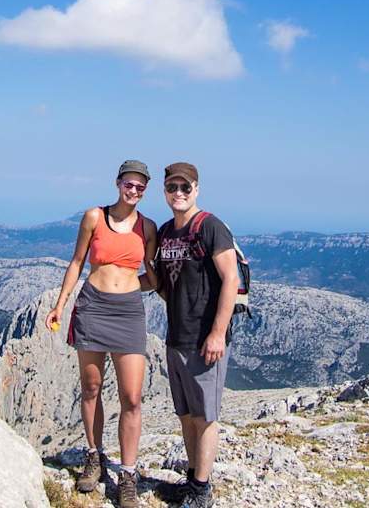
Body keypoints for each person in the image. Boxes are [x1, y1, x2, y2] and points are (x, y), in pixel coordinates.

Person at [45, 159, 158, 508]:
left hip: (127, 313)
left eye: (140, 186)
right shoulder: (94, 216)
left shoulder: (148, 227)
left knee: (132, 397)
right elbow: (77, 262)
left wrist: (126, 286)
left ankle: (127, 474)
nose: (134, 190)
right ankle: (94, 456)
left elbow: (152, 276)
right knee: (91, 387)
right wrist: (61, 305)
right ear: (118, 183)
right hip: (92, 307)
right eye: (129, 184)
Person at [154, 162, 239, 508]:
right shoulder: (165, 232)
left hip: (205, 340)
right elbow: (163, 283)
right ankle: (191, 480)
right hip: (176, 337)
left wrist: (217, 333)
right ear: (165, 191)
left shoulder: (211, 227)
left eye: (185, 188)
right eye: (172, 187)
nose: (178, 194)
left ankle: (202, 489)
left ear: (196, 190)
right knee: (187, 415)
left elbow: (231, 280)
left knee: (205, 417)